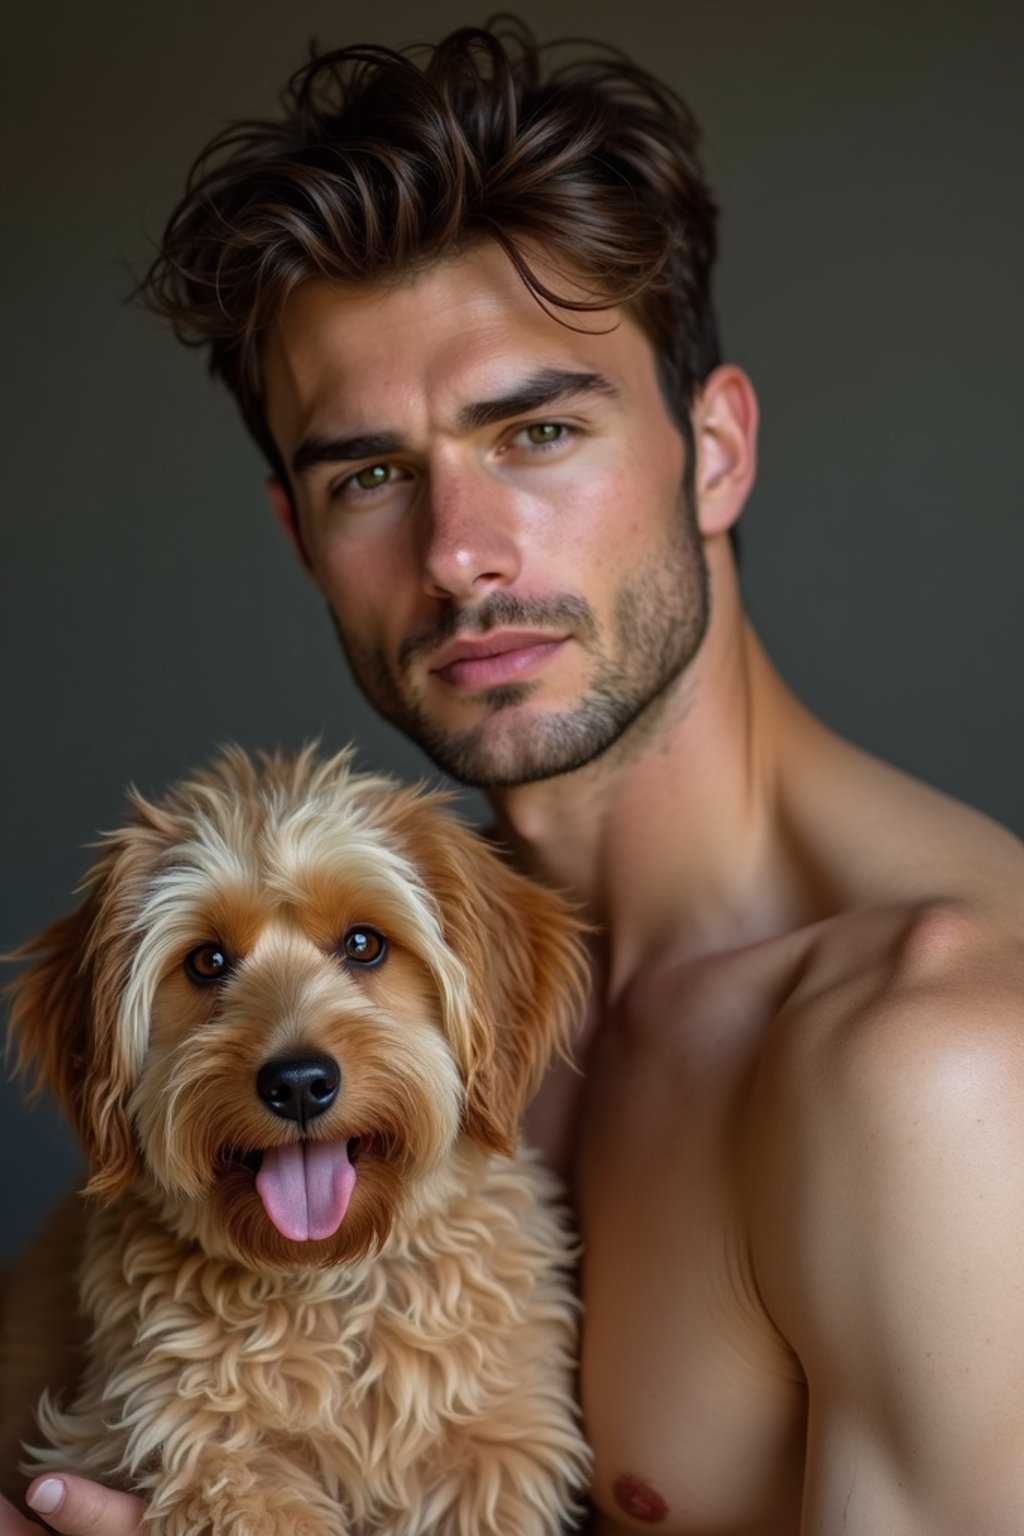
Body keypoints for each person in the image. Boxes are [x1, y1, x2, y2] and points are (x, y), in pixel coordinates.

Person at [3, 19, 1024, 1536]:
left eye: (537, 430)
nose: (458, 550)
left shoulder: (932, 1074)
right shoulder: (338, 976)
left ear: (717, 449)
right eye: (370, 475)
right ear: (300, 536)